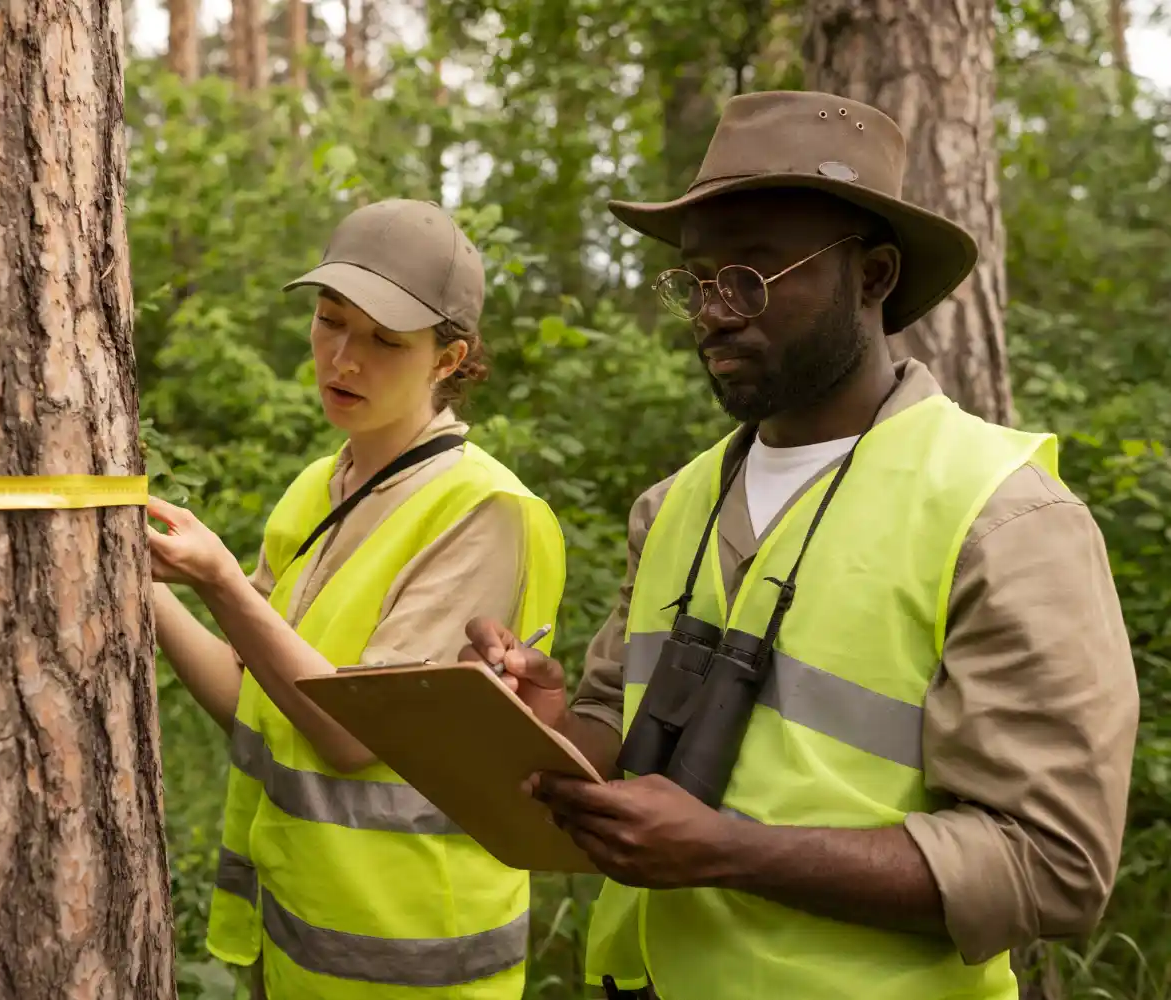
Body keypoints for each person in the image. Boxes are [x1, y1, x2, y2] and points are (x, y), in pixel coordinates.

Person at [462, 91, 1139, 1000]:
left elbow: (1052, 863)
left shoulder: (1004, 518)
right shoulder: (674, 507)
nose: (713, 311)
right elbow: (620, 750)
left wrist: (734, 853)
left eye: (753, 274)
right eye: (696, 280)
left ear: (874, 276)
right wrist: (546, 725)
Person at [145, 198, 567, 1000]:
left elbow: (347, 735)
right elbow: (250, 699)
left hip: (421, 965)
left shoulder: (485, 514)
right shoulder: (319, 487)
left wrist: (220, 582)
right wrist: (138, 583)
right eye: (330, 321)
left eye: (384, 340)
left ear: (449, 359)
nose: (343, 358)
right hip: (297, 942)